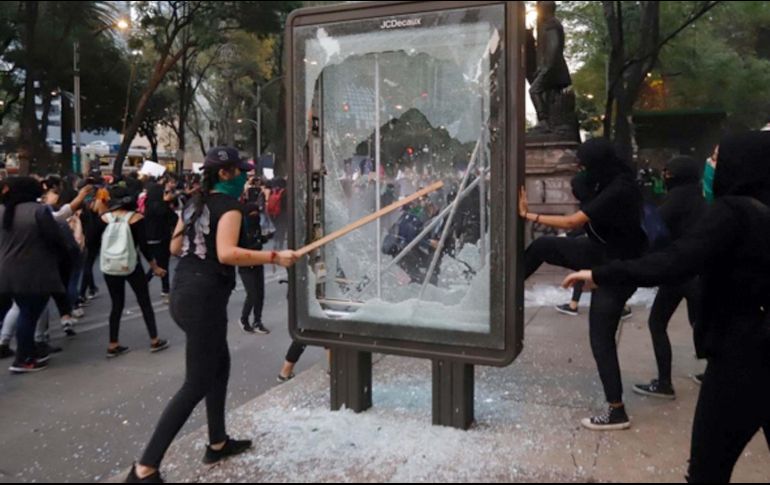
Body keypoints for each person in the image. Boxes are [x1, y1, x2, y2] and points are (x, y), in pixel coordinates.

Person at [563, 132, 770, 482]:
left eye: (717, 158)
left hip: (742, 355)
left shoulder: (734, 212)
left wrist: (602, 273)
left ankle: (653, 388)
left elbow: (676, 260)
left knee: (707, 468)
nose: (711, 165)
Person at [126, 147, 299, 483]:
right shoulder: (231, 207)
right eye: (240, 170)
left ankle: (217, 442)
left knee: (219, 366)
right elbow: (227, 253)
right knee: (196, 383)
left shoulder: (194, 201)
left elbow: (175, 247)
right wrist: (275, 257)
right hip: (203, 299)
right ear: (224, 173)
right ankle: (145, 468)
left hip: (184, 293)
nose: (244, 175)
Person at [519, 138, 646, 431]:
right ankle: (505, 294)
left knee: (601, 337)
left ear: (597, 164)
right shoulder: (602, 181)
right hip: (600, 251)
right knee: (542, 246)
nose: (580, 168)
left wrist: (528, 214)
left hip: (619, 267)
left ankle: (616, 411)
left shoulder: (620, 188)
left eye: (584, 164)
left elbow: (573, 222)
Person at [631, 156, 707, 399]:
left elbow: (652, 228)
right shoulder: (698, 197)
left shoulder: (677, 198)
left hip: (678, 273)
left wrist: (642, 200)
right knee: (700, 324)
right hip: (699, 273)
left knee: (657, 323)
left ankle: (664, 383)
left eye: (668, 172)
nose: (664, 176)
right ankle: (715, 372)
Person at [0, 177, 69, 373]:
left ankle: (27, 351)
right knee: (29, 314)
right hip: (34, 272)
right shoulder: (38, 211)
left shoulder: (3, 210)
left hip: (6, 271)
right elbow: (55, 239)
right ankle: (24, 358)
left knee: (23, 310)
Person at [100, 185, 169, 358]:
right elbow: (144, 247)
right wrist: (154, 267)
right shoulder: (136, 218)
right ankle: (154, 340)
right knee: (144, 302)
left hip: (110, 266)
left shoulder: (104, 218)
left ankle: (113, 344)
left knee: (116, 305)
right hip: (131, 264)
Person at [238, 203, 270, 334]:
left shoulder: (257, 226)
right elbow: (241, 248)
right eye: (252, 214)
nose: (255, 216)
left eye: (257, 213)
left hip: (258, 263)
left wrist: (264, 238)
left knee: (260, 294)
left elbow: (259, 240)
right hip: (245, 266)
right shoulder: (241, 229)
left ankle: (257, 321)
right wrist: (256, 244)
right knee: (252, 294)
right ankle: (244, 319)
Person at [144, 182, 178, 301]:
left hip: (149, 239)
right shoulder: (161, 206)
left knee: (159, 263)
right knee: (163, 264)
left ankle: (161, 287)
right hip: (161, 238)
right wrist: (167, 203)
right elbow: (174, 219)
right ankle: (165, 289)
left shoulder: (148, 205)